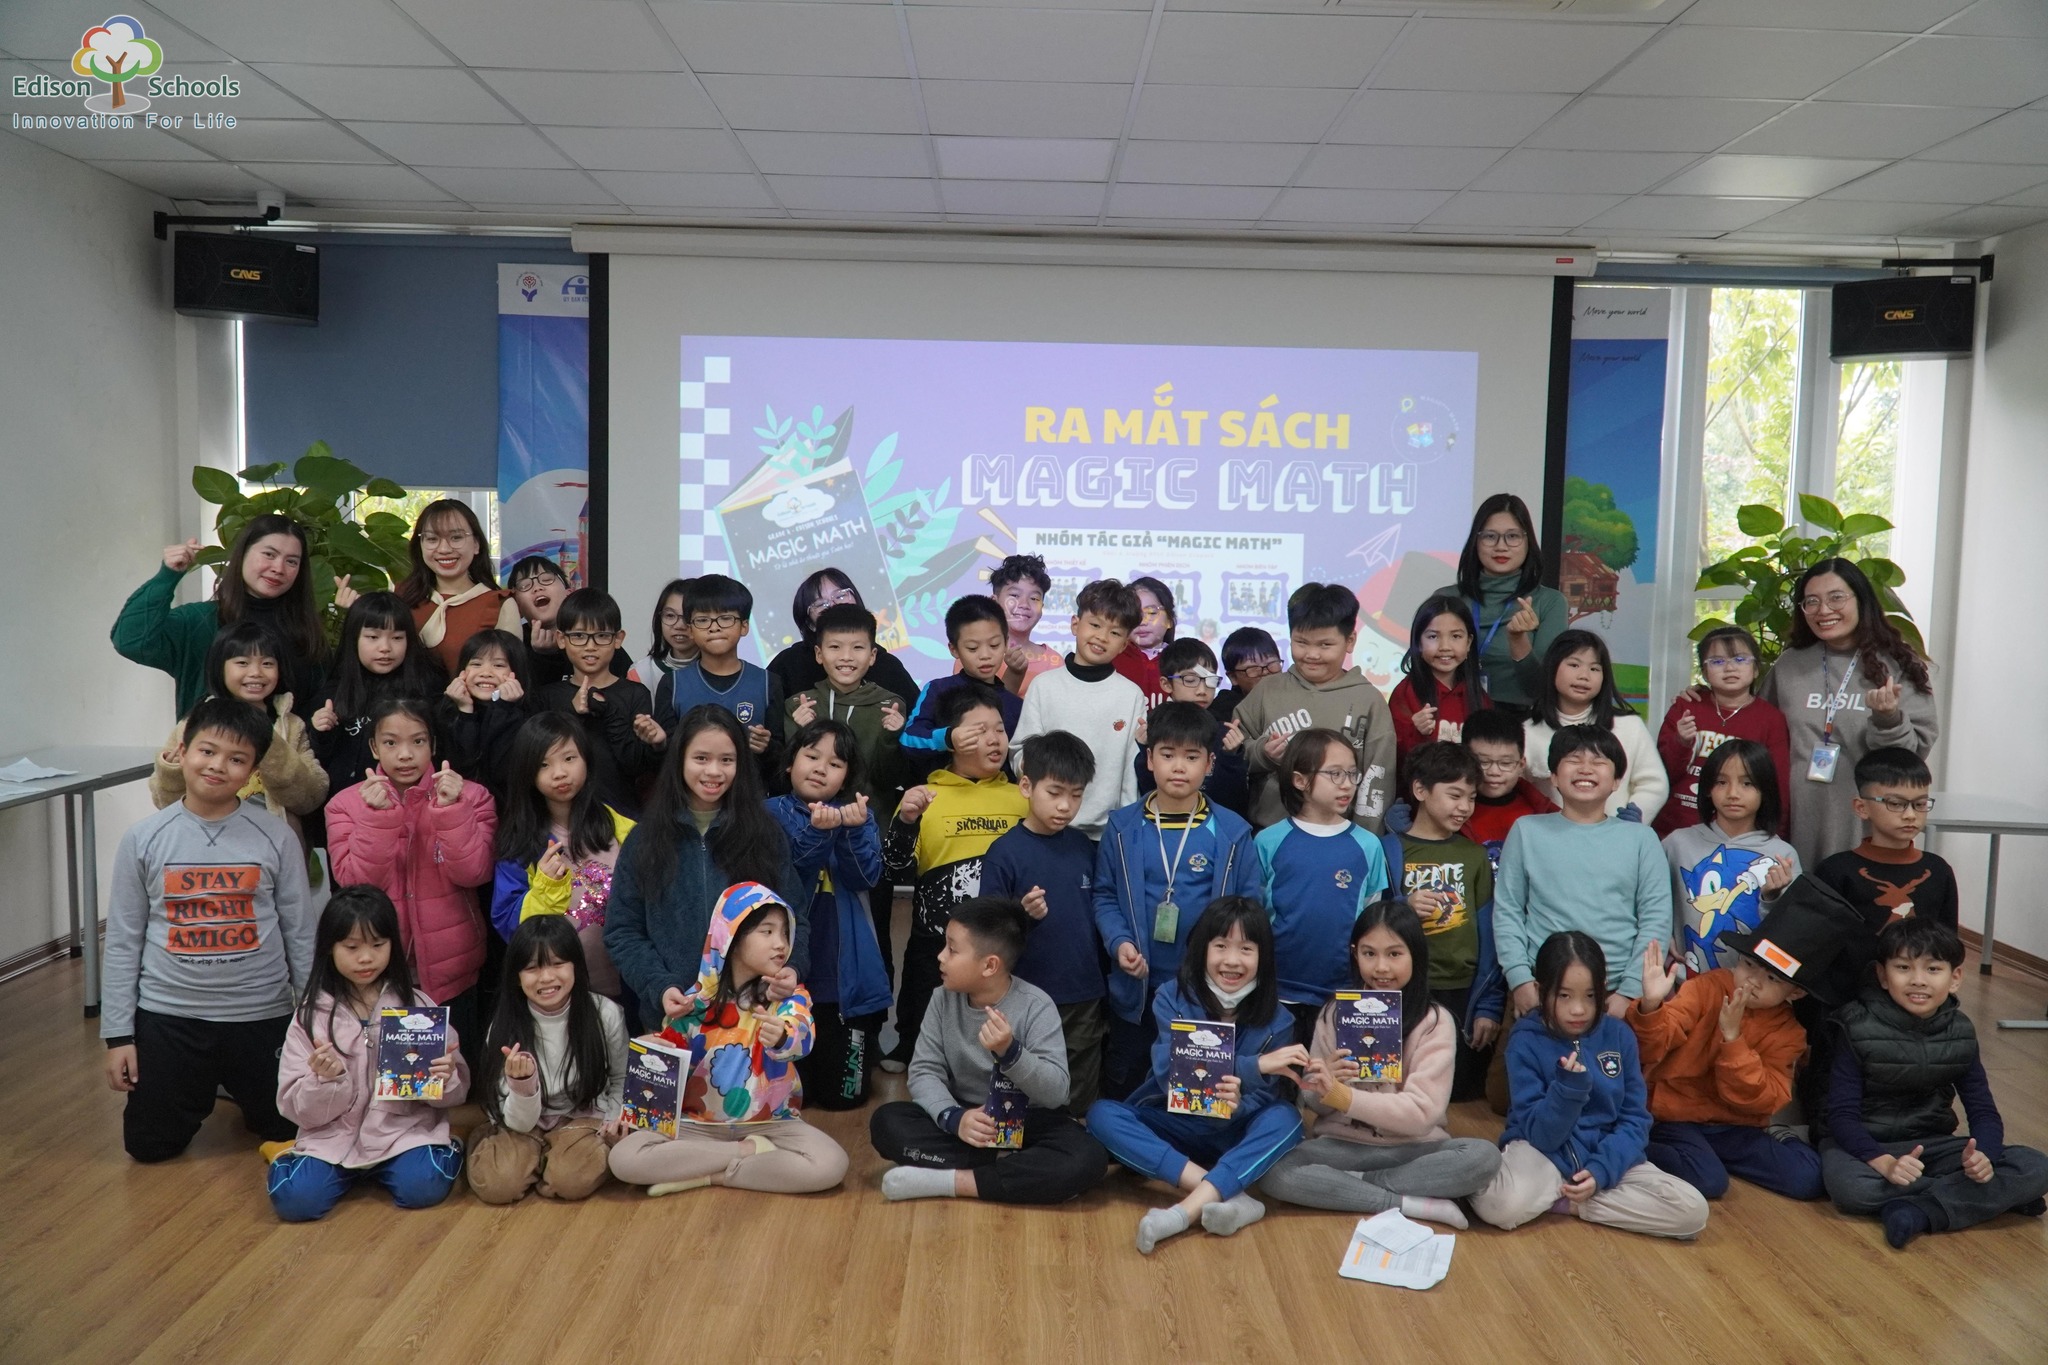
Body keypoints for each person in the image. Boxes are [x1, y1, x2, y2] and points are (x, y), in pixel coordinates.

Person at [101, 696, 314, 1163]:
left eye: (237, 759)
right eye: (207, 751)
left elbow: (300, 933)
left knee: (297, 1130)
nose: (218, 766)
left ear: (253, 770)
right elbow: (122, 942)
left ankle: (240, 1093)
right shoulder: (144, 838)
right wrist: (119, 1037)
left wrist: (314, 1020)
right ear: (182, 751)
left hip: (261, 1015)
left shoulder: (276, 836)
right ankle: (200, 1089)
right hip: (170, 1016)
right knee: (149, 1147)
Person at [1086, 897, 1306, 1253]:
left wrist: (1238, 1104)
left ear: (1262, 957)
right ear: (1203, 949)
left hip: (1234, 1132)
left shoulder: (1279, 1019)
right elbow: (1170, 1075)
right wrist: (1253, 1067)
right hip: (1175, 1123)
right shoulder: (1171, 998)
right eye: (1220, 946)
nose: (1232, 960)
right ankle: (1225, 1192)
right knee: (1101, 1114)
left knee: (1287, 1118)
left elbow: (1265, 1097)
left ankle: (1181, 1213)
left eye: (1246, 949)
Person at [1260, 900, 1502, 1222]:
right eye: (1369, 953)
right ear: (1354, 954)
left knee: (1483, 1156)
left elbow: (1422, 1115)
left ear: (1416, 955)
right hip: (1343, 1146)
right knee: (1275, 1170)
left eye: (1394, 954)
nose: (1381, 967)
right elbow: (1316, 1106)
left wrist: (1343, 1096)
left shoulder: (1435, 1021)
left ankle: (1354, 1187)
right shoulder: (1335, 1012)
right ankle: (1408, 1202)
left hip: (1415, 1149)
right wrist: (1322, 1085)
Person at [1820, 917, 2048, 1248]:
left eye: (1933, 969)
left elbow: (1983, 1110)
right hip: (1865, 1147)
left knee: (2036, 1166)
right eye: (1903, 968)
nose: (1918, 980)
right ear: (1882, 976)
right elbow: (1841, 1116)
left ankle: (1918, 1210)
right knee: (1851, 1189)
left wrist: (1983, 1156)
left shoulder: (1961, 1031)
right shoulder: (1855, 1025)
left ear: (1955, 978)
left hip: (1932, 1143)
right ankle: (1984, 1199)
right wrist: (1886, 1164)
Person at [609, 883, 848, 1196]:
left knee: (832, 1163)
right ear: (731, 937)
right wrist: (654, 1050)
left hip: (773, 1125)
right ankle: (746, 1154)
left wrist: (782, 1037)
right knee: (623, 1159)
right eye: (767, 932)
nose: (781, 944)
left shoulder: (790, 997)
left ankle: (707, 1175)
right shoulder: (693, 1003)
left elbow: (801, 1038)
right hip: (696, 1127)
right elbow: (662, 1086)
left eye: (784, 933)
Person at [869, 897, 1110, 1205]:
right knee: (887, 1122)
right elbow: (924, 1071)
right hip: (964, 1116)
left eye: (952, 949)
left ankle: (952, 1181)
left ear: (990, 965)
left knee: (1087, 1157)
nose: (941, 956)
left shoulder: (1037, 1006)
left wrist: (1011, 1053)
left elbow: (1056, 1093)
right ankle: (1015, 1171)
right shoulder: (942, 999)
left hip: (1028, 1120)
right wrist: (954, 1118)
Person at [1469, 931, 1708, 1238]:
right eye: (1564, 996)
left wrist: (1601, 1171)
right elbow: (1541, 1135)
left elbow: (1635, 1120)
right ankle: (1566, 1195)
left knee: (1692, 1211)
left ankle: (1568, 1203)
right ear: (1541, 991)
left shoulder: (1619, 1035)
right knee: (1499, 1206)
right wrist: (1568, 1090)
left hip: (1606, 1154)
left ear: (1603, 990)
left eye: (1590, 996)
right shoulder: (1525, 1040)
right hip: (1543, 1153)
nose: (1579, 1009)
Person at [267, 885, 466, 1220]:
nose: (365, 958)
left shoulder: (416, 1007)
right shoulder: (311, 1016)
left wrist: (446, 1079)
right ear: (330, 948)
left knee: (423, 1187)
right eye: (352, 947)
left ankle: (448, 1145)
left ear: (393, 945)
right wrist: (325, 1081)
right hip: (331, 1139)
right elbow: (293, 1107)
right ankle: (286, 1156)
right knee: (296, 1201)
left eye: (377, 945)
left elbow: (456, 1092)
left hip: (402, 1135)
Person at [603, 705, 806, 1033]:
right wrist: (660, 986)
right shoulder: (645, 838)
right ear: (680, 760)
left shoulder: (764, 835)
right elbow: (623, 931)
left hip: (751, 1024)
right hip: (673, 1022)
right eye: (701, 758)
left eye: (726, 760)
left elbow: (796, 918)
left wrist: (792, 968)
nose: (714, 771)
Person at [1095, 702, 1261, 1100]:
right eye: (1168, 755)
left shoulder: (1233, 832)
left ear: (1210, 764)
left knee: (1196, 1089)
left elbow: (1250, 907)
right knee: (1128, 1087)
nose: (1179, 767)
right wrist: (1119, 943)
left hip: (1206, 990)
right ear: (1150, 759)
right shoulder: (1122, 827)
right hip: (1138, 986)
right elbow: (1104, 895)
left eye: (1191, 757)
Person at [1631, 897, 1836, 1203]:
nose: (1753, 981)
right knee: (1710, 1181)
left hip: (1737, 1127)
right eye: (1749, 965)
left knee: (1808, 1178)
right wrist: (1651, 1005)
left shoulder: (1789, 1033)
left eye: (1771, 978)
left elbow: (1762, 1098)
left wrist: (1733, 1039)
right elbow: (1653, 1046)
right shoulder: (1708, 987)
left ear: (1795, 992)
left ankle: (1731, 1150)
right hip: (1676, 1116)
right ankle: (1640, 1145)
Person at [325, 698, 498, 1054]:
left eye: (418, 741)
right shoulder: (345, 804)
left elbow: (475, 872)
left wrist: (452, 811)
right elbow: (355, 886)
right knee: (388, 1079)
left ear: (432, 743)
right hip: (377, 972)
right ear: (374, 747)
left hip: (454, 972)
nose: (405, 755)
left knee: (454, 1076)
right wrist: (377, 818)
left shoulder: (471, 796)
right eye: (391, 742)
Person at [1758, 558, 1938, 870]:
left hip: (1863, 820)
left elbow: (1911, 757)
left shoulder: (1897, 664)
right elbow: (1758, 731)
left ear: (1861, 600)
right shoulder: (1789, 665)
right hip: (1795, 816)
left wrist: (1888, 718)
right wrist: (1705, 697)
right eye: (1812, 601)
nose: (1824, 610)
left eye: (1836, 597)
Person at [884, 685, 1029, 1067]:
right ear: (952, 738)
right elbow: (894, 870)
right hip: (936, 942)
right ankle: (909, 1043)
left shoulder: (1023, 798)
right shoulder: (924, 797)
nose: (994, 740)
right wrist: (906, 821)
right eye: (980, 730)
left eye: (999, 729)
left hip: (1003, 941)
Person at [1493, 727, 1670, 1021]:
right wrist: (1520, 980)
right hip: (1541, 990)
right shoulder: (1526, 830)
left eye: (1598, 761)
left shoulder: (1642, 839)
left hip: (1616, 993)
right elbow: (1507, 910)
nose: (1585, 769)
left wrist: (1630, 992)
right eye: (1573, 760)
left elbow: (1656, 919)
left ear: (1617, 780)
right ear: (1554, 776)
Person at [979, 729, 1108, 1113]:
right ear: (1026, 786)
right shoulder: (1004, 852)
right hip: (1024, 993)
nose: (1066, 806)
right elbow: (987, 932)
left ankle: (1071, 1139)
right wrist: (1022, 915)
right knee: (1022, 1083)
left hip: (1082, 990)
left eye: (1076, 795)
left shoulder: (1084, 846)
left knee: (1078, 1090)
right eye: (1055, 792)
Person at [769, 719, 892, 1111]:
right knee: (792, 1098)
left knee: (843, 1099)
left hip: (844, 977)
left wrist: (850, 830)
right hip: (789, 967)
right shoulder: (770, 813)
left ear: (846, 778)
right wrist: (821, 832)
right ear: (790, 762)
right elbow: (792, 871)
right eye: (812, 756)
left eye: (835, 764)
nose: (821, 768)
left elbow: (865, 877)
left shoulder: (858, 816)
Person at [467, 915, 629, 1204]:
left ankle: (545, 1161)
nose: (546, 978)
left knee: (571, 1180)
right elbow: (518, 1122)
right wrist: (522, 1085)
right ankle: (523, 1154)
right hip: (521, 1124)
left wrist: (611, 1121)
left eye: (557, 963)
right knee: (498, 1185)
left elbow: (620, 1078)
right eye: (532, 968)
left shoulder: (605, 1014)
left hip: (583, 1117)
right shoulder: (504, 1026)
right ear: (516, 976)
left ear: (576, 965)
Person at [114, 513, 328, 718]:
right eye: (269, 555)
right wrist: (167, 576)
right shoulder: (198, 621)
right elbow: (130, 641)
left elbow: (322, 704)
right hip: (208, 743)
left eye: (292, 561)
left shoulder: (306, 631)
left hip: (291, 744)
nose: (278, 568)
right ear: (242, 554)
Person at [1382, 741, 1502, 1101]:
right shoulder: (1387, 850)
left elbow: (1489, 936)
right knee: (1393, 1090)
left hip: (1461, 992)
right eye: (1454, 795)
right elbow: (1368, 919)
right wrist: (1403, 906)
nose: (1465, 807)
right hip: (1400, 989)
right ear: (1420, 790)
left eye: (1472, 797)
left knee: (1457, 1096)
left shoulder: (1474, 856)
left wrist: (1488, 1005)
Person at [1253, 728, 1390, 1041]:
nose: (1347, 784)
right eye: (1335, 773)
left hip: (1343, 990)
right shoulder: (1268, 841)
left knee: (1334, 1071)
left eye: (1352, 774)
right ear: (1300, 780)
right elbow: (1254, 917)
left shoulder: (1368, 845)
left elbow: (1371, 921)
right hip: (1277, 987)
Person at [1233, 581, 1398, 833]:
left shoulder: (1369, 700)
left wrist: (1365, 839)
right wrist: (1262, 753)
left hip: (1342, 836)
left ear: (1350, 641)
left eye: (1324, 645)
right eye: (1301, 642)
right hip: (1269, 834)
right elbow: (1232, 753)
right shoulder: (1267, 690)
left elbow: (1378, 778)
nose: (1311, 654)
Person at [490, 713, 633, 1003]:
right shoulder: (521, 843)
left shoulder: (623, 831)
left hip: (626, 985)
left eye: (569, 758)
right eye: (544, 764)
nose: (559, 773)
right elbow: (508, 924)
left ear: (586, 759)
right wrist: (544, 888)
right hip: (555, 994)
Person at [148, 620, 328, 838]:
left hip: (270, 842)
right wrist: (171, 770)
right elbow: (164, 802)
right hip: (206, 841)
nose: (256, 672)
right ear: (220, 667)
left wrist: (271, 742)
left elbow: (310, 798)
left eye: (267, 663)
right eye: (242, 662)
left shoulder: (291, 726)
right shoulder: (195, 723)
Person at [1010, 578, 1147, 839]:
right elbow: (1020, 751)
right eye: (1095, 625)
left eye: (1115, 633)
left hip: (1105, 835)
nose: (1101, 637)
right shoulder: (1044, 685)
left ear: (1124, 644)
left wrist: (1124, 830)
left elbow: (1130, 774)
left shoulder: (1130, 696)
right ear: (1075, 624)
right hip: (1045, 829)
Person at [1663, 739, 1798, 976]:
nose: (1733, 793)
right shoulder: (1677, 844)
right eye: (1721, 782)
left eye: (1747, 783)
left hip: (1752, 988)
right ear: (1707, 788)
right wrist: (1662, 935)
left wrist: (1771, 898)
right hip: (1683, 986)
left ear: (1765, 790)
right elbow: (1650, 904)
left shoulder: (1782, 855)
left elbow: (1788, 938)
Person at [1435, 493, 1568, 722]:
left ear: (1528, 541)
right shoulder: (1446, 599)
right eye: (1490, 536)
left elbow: (1541, 689)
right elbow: (1422, 670)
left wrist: (1518, 641)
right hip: (1451, 719)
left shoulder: (1550, 602)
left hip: (1521, 724)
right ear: (1475, 541)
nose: (1501, 547)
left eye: (1512, 536)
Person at [308, 592, 448, 802]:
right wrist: (320, 733)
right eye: (373, 637)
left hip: (410, 806)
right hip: (344, 808)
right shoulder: (333, 692)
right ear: (354, 638)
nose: (385, 648)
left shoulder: (426, 689)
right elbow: (315, 766)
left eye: (397, 638)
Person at [1653, 626, 1790, 839]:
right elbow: (1660, 774)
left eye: (1740, 659)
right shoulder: (1686, 706)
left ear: (1756, 669)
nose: (1729, 668)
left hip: (1738, 835)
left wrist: (1774, 836)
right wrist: (1681, 742)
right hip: (1675, 829)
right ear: (1704, 672)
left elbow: (1776, 785)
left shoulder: (1771, 719)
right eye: (1717, 661)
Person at [535, 588, 662, 817]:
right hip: (562, 817)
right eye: (578, 636)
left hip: (622, 815)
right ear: (561, 639)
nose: (590, 646)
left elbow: (634, 767)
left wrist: (651, 740)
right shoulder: (547, 696)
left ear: (618, 639)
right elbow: (538, 760)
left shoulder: (635, 694)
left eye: (602, 636)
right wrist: (570, 713)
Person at [1523, 630, 1667, 824]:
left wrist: (1629, 824)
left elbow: (1654, 784)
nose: (1584, 676)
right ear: (1552, 668)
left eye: (1594, 668)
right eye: (1574, 665)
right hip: (1549, 836)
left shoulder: (1629, 726)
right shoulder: (1527, 732)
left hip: (1615, 835)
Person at [1814, 747, 1958, 938]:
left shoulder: (1938, 870)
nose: (1910, 815)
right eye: (1896, 804)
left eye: (1920, 804)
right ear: (1861, 807)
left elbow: (1948, 942)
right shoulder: (1836, 871)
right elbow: (1819, 941)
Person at [653, 574, 785, 782]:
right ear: (690, 629)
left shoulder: (768, 683)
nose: (714, 627)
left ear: (744, 626)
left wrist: (767, 748)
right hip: (689, 797)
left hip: (750, 796)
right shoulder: (673, 684)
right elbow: (666, 759)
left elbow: (781, 757)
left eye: (725, 618)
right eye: (703, 620)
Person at [782, 602, 908, 800]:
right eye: (835, 647)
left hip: (870, 815)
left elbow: (888, 779)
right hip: (809, 815)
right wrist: (803, 731)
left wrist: (890, 738)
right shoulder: (800, 705)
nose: (846, 657)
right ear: (819, 654)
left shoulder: (889, 706)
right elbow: (788, 773)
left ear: (872, 656)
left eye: (857, 647)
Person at [395, 498, 519, 676]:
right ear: (420, 545)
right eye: (432, 539)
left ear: (476, 544)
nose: (444, 549)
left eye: (456, 538)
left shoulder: (501, 605)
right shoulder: (401, 595)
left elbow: (508, 679)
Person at [764, 567, 920, 707]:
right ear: (810, 624)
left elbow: (919, 720)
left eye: (840, 596)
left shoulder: (886, 665)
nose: (834, 605)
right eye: (821, 604)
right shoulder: (789, 664)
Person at [1134, 638, 1249, 819]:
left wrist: (1231, 755)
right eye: (1190, 680)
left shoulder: (1223, 732)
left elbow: (1234, 800)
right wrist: (1144, 748)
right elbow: (1147, 791)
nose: (1202, 690)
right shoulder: (1153, 730)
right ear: (1166, 684)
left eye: (1210, 680)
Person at [902, 595, 1019, 771]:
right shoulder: (937, 690)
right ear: (954, 649)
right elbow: (908, 739)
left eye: (994, 645)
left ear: (1006, 642)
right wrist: (948, 738)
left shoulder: (1015, 705)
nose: (985, 655)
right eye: (973, 648)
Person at [1389, 594, 1488, 791]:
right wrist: (1415, 732)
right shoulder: (1405, 693)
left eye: (1456, 636)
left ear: (1469, 642)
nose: (1445, 647)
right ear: (1418, 642)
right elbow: (1394, 761)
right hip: (1420, 798)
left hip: (1468, 797)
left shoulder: (1479, 696)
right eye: (1433, 637)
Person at [436, 627, 536, 808]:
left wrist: (503, 709)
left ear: (516, 672)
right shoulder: (445, 714)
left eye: (498, 665)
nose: (486, 672)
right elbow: (465, 772)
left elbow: (497, 773)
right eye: (476, 664)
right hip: (460, 809)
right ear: (462, 670)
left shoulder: (527, 718)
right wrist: (465, 713)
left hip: (509, 810)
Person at [507, 555, 633, 690]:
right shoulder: (512, 646)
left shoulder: (598, 639)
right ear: (516, 605)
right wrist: (541, 657)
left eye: (547, 580)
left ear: (569, 593)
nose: (537, 588)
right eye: (525, 586)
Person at [1460, 709, 1556, 869]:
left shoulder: (1544, 814)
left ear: (1521, 765)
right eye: (1483, 762)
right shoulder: (1448, 813)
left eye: (1505, 763)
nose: (1494, 772)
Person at [991, 553, 1061, 696]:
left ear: (1042, 608)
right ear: (994, 602)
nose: (1024, 604)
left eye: (1034, 598)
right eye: (1014, 595)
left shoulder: (1055, 663)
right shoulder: (976, 653)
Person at [1213, 626, 1283, 730]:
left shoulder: (1297, 692)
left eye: (1271, 663)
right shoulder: (1223, 714)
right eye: (1253, 668)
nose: (1265, 672)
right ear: (1233, 677)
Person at [642, 575, 698, 688]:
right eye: (670, 615)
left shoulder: (720, 670)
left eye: (688, 616)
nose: (679, 626)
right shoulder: (642, 671)